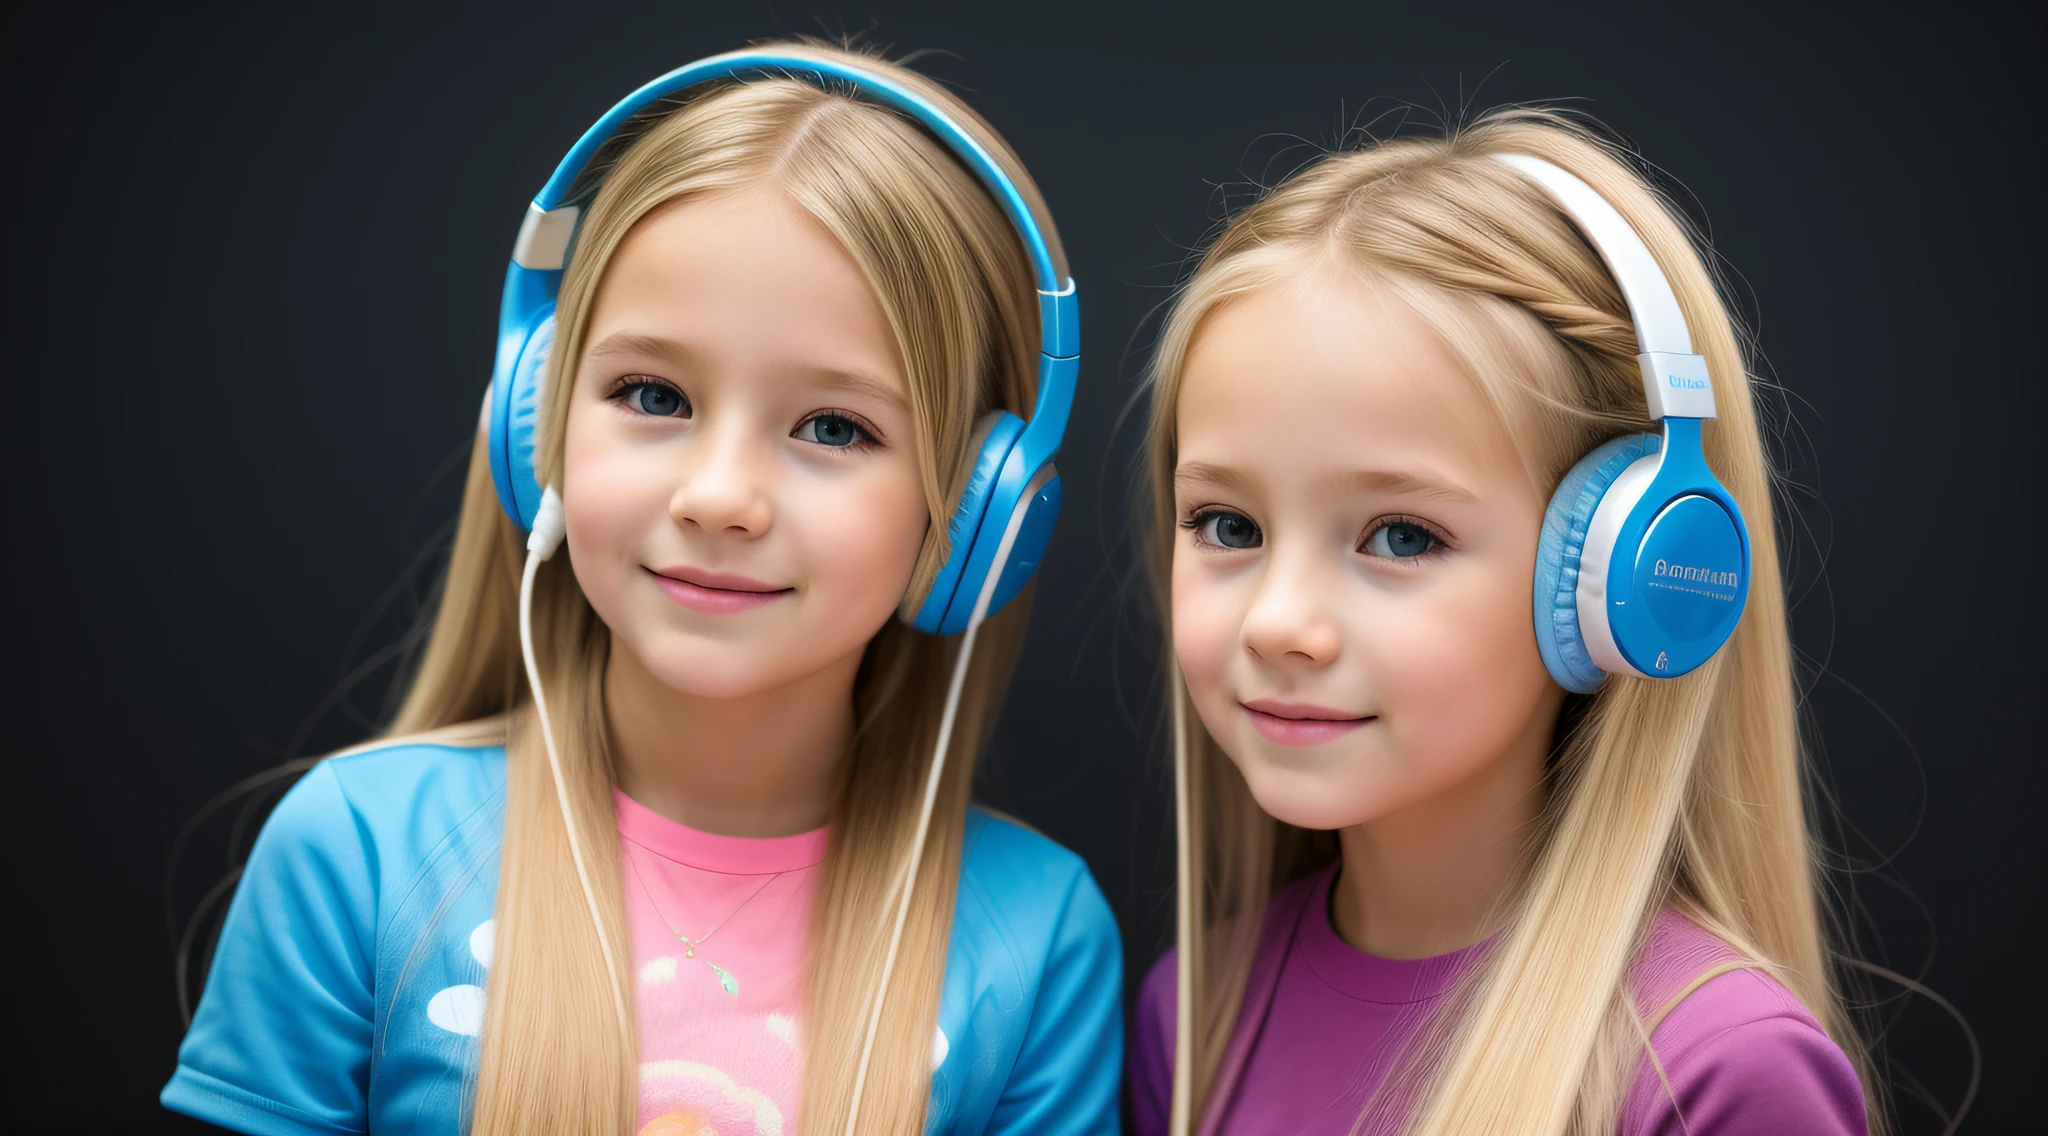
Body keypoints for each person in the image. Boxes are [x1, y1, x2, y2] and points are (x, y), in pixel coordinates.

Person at [164, 41, 1119, 1136]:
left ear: (975, 516)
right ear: (537, 428)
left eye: (832, 427)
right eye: (652, 393)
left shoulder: (1037, 938)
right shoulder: (357, 852)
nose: (720, 498)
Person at [1129, 109, 1876, 1135]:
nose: (1278, 621)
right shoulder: (1194, 1011)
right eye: (1225, 523)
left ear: (1625, 570)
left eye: (1398, 536)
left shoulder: (1713, 1069)